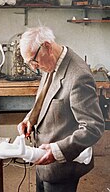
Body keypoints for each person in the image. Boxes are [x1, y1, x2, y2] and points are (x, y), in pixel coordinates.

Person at [17, 26, 105, 192]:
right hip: (43, 161)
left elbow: (93, 127)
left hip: (62, 166)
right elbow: (47, 99)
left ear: (47, 47)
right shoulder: (52, 63)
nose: (34, 67)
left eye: (34, 61)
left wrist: (56, 151)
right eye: (30, 63)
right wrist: (30, 119)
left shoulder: (78, 76)